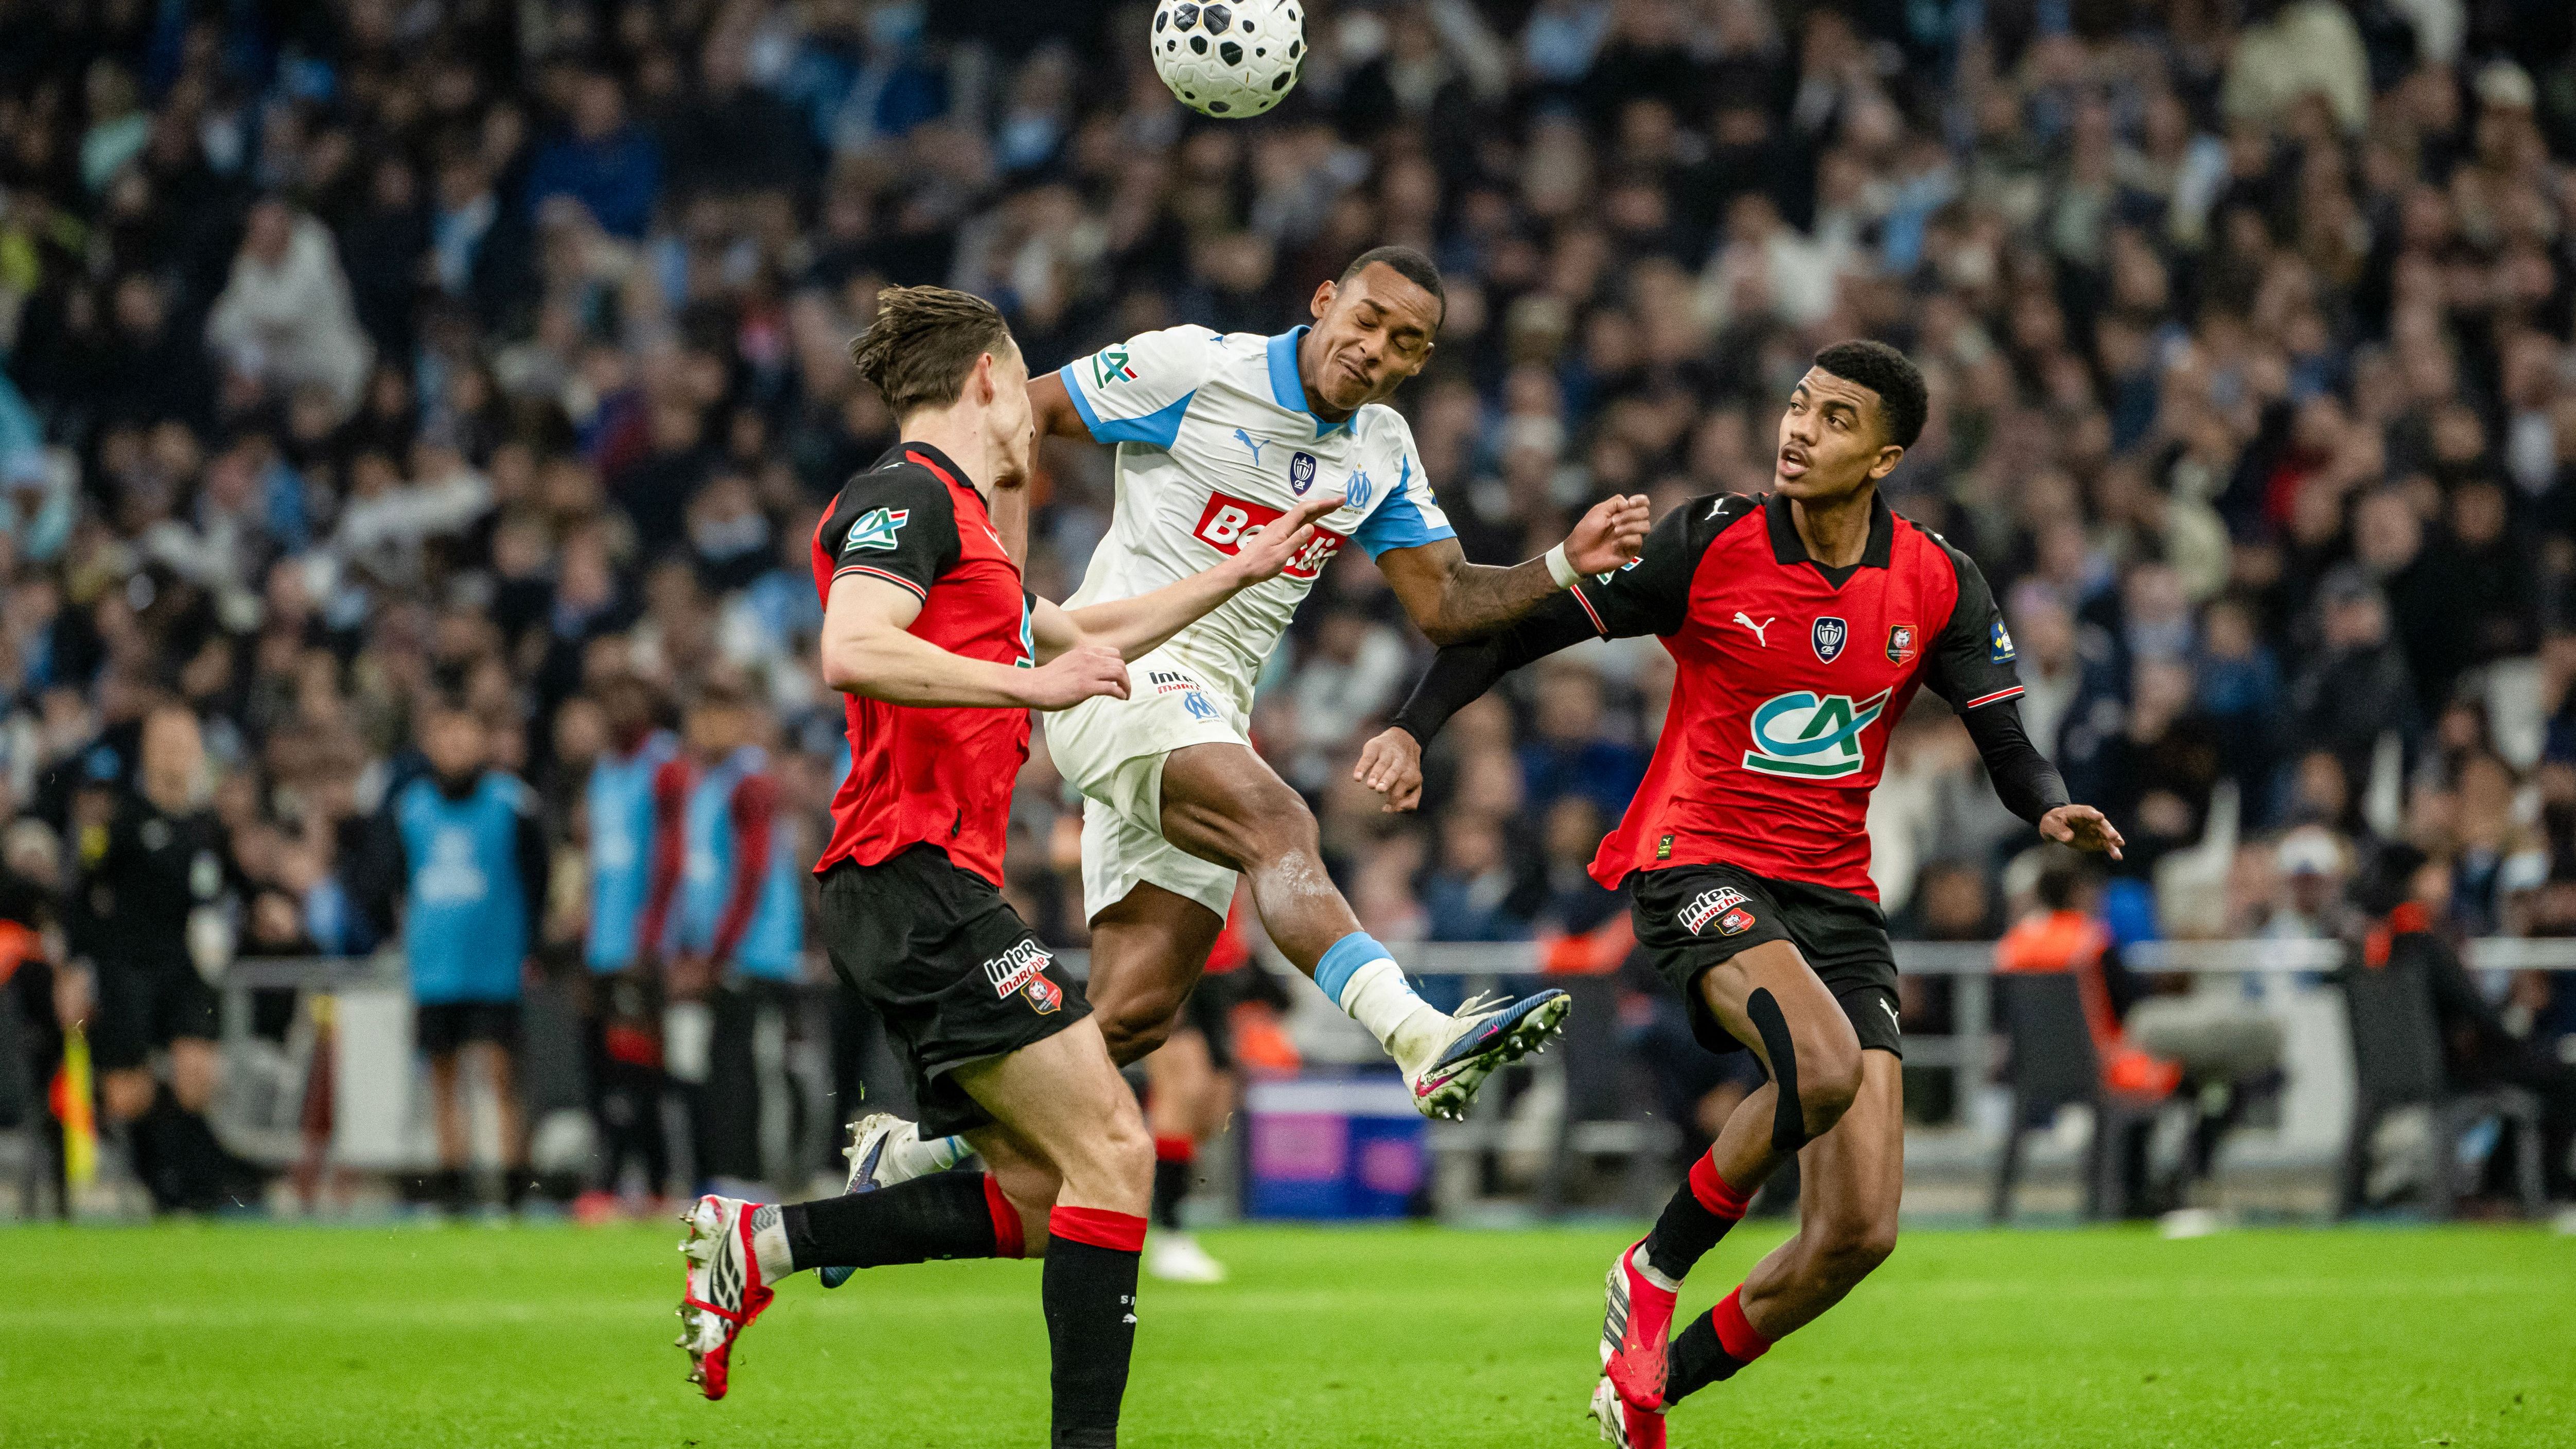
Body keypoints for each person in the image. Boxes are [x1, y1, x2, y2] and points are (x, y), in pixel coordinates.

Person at [1357, 342, 2127, 1446]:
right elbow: (1527, 629)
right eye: (1798, 404)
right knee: (1815, 1064)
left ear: (1886, 457)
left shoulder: (1938, 578)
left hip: (1835, 899)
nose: (1801, 429)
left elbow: (2003, 734)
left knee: (1858, 1232)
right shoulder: (1707, 540)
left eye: (1837, 419)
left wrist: (2049, 806)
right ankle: (1654, 1262)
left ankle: (1650, 1389)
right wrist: (1411, 725)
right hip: (1697, 863)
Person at [834, 248, 1652, 1208]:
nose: (1376, 350)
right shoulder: (1196, 367)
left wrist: (1561, 562)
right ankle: (1419, 1037)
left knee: (1136, 1014)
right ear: (1323, 302)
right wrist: (1007, 596)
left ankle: (917, 1148)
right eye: (1368, 320)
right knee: (1280, 823)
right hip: (1119, 671)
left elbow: (1447, 602)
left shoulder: (1381, 447)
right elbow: (1024, 413)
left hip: (1211, 710)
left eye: (1407, 344)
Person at [673, 282, 1340, 1447]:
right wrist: (1031, 687)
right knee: (1119, 1149)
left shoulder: (969, 535)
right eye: (1023, 376)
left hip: (933, 883)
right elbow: (852, 647)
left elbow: (1087, 633)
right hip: (908, 873)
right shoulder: (904, 495)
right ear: (990, 375)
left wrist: (1244, 571)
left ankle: (765, 1244)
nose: (1034, 407)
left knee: (1049, 1194)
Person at [369, 705, 548, 1212]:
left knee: (499, 1071)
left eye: (464, 734)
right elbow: (387, 880)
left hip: (494, 964)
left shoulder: (511, 803)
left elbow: (539, 878)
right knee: (443, 1073)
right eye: (444, 735)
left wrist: (531, 946)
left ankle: (513, 1182)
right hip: (435, 966)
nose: (455, 746)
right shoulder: (411, 807)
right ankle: (453, 1183)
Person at [638, 677, 807, 1193]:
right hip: (715, 952)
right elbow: (695, 876)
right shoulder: (696, 781)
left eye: (721, 717)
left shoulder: (748, 782)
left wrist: (713, 956)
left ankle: (754, 1177)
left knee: (747, 1070)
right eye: (701, 717)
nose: (709, 728)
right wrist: (681, 947)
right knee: (714, 1070)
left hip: (756, 955)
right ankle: (722, 1174)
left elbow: (750, 876)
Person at [71, 706, 240, 1213]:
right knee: (129, 1095)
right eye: (165, 741)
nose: (175, 752)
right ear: (147, 750)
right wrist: (79, 964)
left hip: (187, 969)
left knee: (197, 1075)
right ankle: (162, 1183)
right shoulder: (123, 819)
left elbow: (229, 890)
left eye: (184, 742)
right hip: (128, 969)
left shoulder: (207, 826)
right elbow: (84, 894)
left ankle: (200, 1191)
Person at [581, 672, 681, 1208]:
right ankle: (629, 1182)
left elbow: (669, 859)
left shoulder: (663, 765)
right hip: (605, 945)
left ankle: (648, 1182)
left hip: (646, 947)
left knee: (642, 1072)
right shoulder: (601, 771)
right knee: (610, 1072)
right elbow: (599, 862)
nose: (618, 706)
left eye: (629, 694)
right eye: (610, 695)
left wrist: (652, 937)